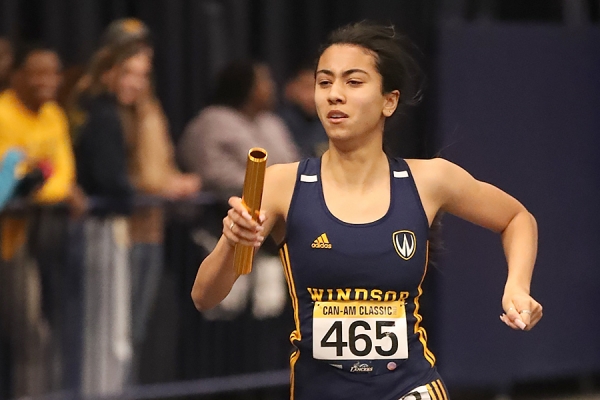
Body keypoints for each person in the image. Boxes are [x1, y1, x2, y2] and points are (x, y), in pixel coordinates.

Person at [190, 22, 542, 400]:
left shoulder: (429, 179)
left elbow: (517, 218)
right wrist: (231, 241)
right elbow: (205, 298)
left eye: (353, 82)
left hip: (408, 389)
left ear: (389, 100)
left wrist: (517, 287)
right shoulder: (279, 183)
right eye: (324, 83)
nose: (334, 95)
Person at [278, 62, 328, 158]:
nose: (313, 95)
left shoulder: (326, 122)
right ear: (291, 88)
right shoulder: (278, 124)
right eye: (307, 87)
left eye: (319, 87)